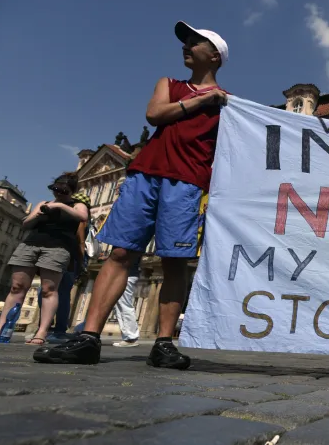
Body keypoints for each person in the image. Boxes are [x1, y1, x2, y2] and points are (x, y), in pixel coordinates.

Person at [33, 21, 229, 369]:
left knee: (174, 261)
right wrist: (202, 100)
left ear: (214, 55)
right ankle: (89, 337)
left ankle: (164, 343)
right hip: (146, 175)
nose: (186, 45)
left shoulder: (228, 104)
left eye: (194, 41)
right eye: (184, 41)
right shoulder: (169, 85)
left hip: (188, 184)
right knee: (121, 252)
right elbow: (154, 114)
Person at [0, 173, 89, 343]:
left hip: (58, 248)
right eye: (55, 189)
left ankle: (41, 332)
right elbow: (25, 223)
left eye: (63, 190)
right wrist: (38, 215)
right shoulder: (44, 203)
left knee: (49, 289)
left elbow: (82, 217)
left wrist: (61, 207)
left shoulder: (77, 205)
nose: (58, 193)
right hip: (31, 244)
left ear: (71, 191)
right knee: (16, 287)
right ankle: (0, 329)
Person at [42, 192, 92, 344]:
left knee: (50, 291)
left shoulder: (73, 218)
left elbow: (81, 240)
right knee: (61, 293)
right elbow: (81, 243)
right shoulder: (80, 219)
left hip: (63, 256)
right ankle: (58, 330)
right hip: (69, 258)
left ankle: (47, 328)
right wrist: (82, 261)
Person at [112, 257, 142, 347]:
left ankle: (131, 337)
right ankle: (128, 337)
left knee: (124, 304)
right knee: (119, 305)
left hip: (127, 275)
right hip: (127, 274)